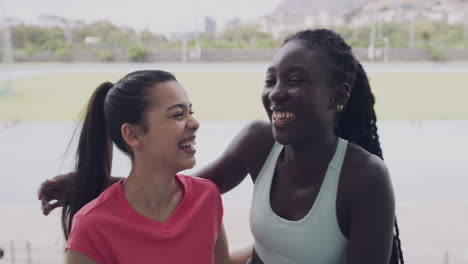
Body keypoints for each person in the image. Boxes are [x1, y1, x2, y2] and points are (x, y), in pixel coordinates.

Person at [39, 29, 403, 264]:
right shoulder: (259, 142)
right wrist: (91, 181)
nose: (276, 93)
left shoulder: (365, 178)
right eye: (271, 79)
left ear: (337, 96)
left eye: (295, 80)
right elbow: (173, 187)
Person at [56, 70, 239, 264]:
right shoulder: (91, 227)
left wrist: (272, 244)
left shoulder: (207, 197)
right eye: (178, 114)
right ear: (133, 135)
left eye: (190, 112)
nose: (194, 123)